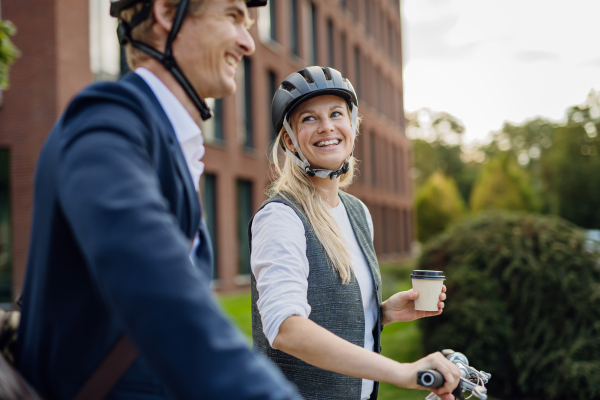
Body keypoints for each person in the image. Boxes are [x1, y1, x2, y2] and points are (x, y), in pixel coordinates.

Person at [16, 0, 302, 399]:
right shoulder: (105, 120)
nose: (247, 43)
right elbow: (159, 291)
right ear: (168, 13)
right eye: (233, 17)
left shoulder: (169, 143)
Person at [250, 66, 461, 400]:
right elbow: (285, 328)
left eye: (337, 114)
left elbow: (326, 310)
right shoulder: (281, 217)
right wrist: (402, 372)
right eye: (309, 118)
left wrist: (384, 311)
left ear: (352, 126)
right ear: (289, 139)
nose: (327, 127)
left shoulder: (357, 212)